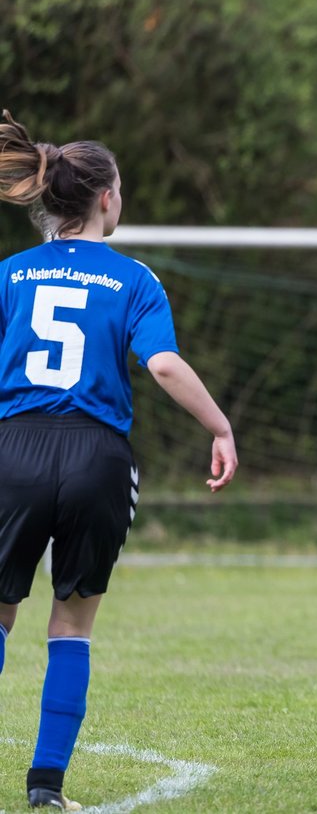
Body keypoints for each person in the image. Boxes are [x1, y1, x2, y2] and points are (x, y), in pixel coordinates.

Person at [0, 110, 238, 809]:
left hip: (12, 448)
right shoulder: (133, 278)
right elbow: (162, 364)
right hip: (96, 457)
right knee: (70, 624)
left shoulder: (10, 273)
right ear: (106, 198)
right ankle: (46, 788)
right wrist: (219, 425)